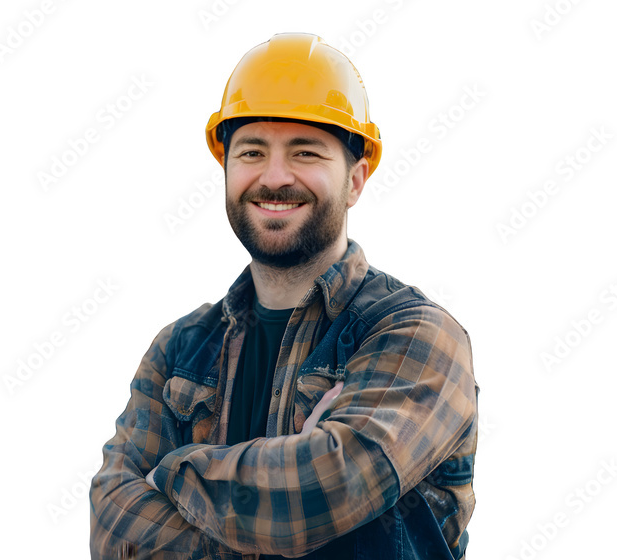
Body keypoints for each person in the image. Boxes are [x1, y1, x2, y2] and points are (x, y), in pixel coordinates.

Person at [89, 32, 479, 560]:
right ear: (227, 170)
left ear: (356, 180)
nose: (274, 177)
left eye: (305, 152)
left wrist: (169, 474)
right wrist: (279, 495)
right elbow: (113, 529)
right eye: (252, 152)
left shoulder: (415, 337)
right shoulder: (179, 349)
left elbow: (322, 494)